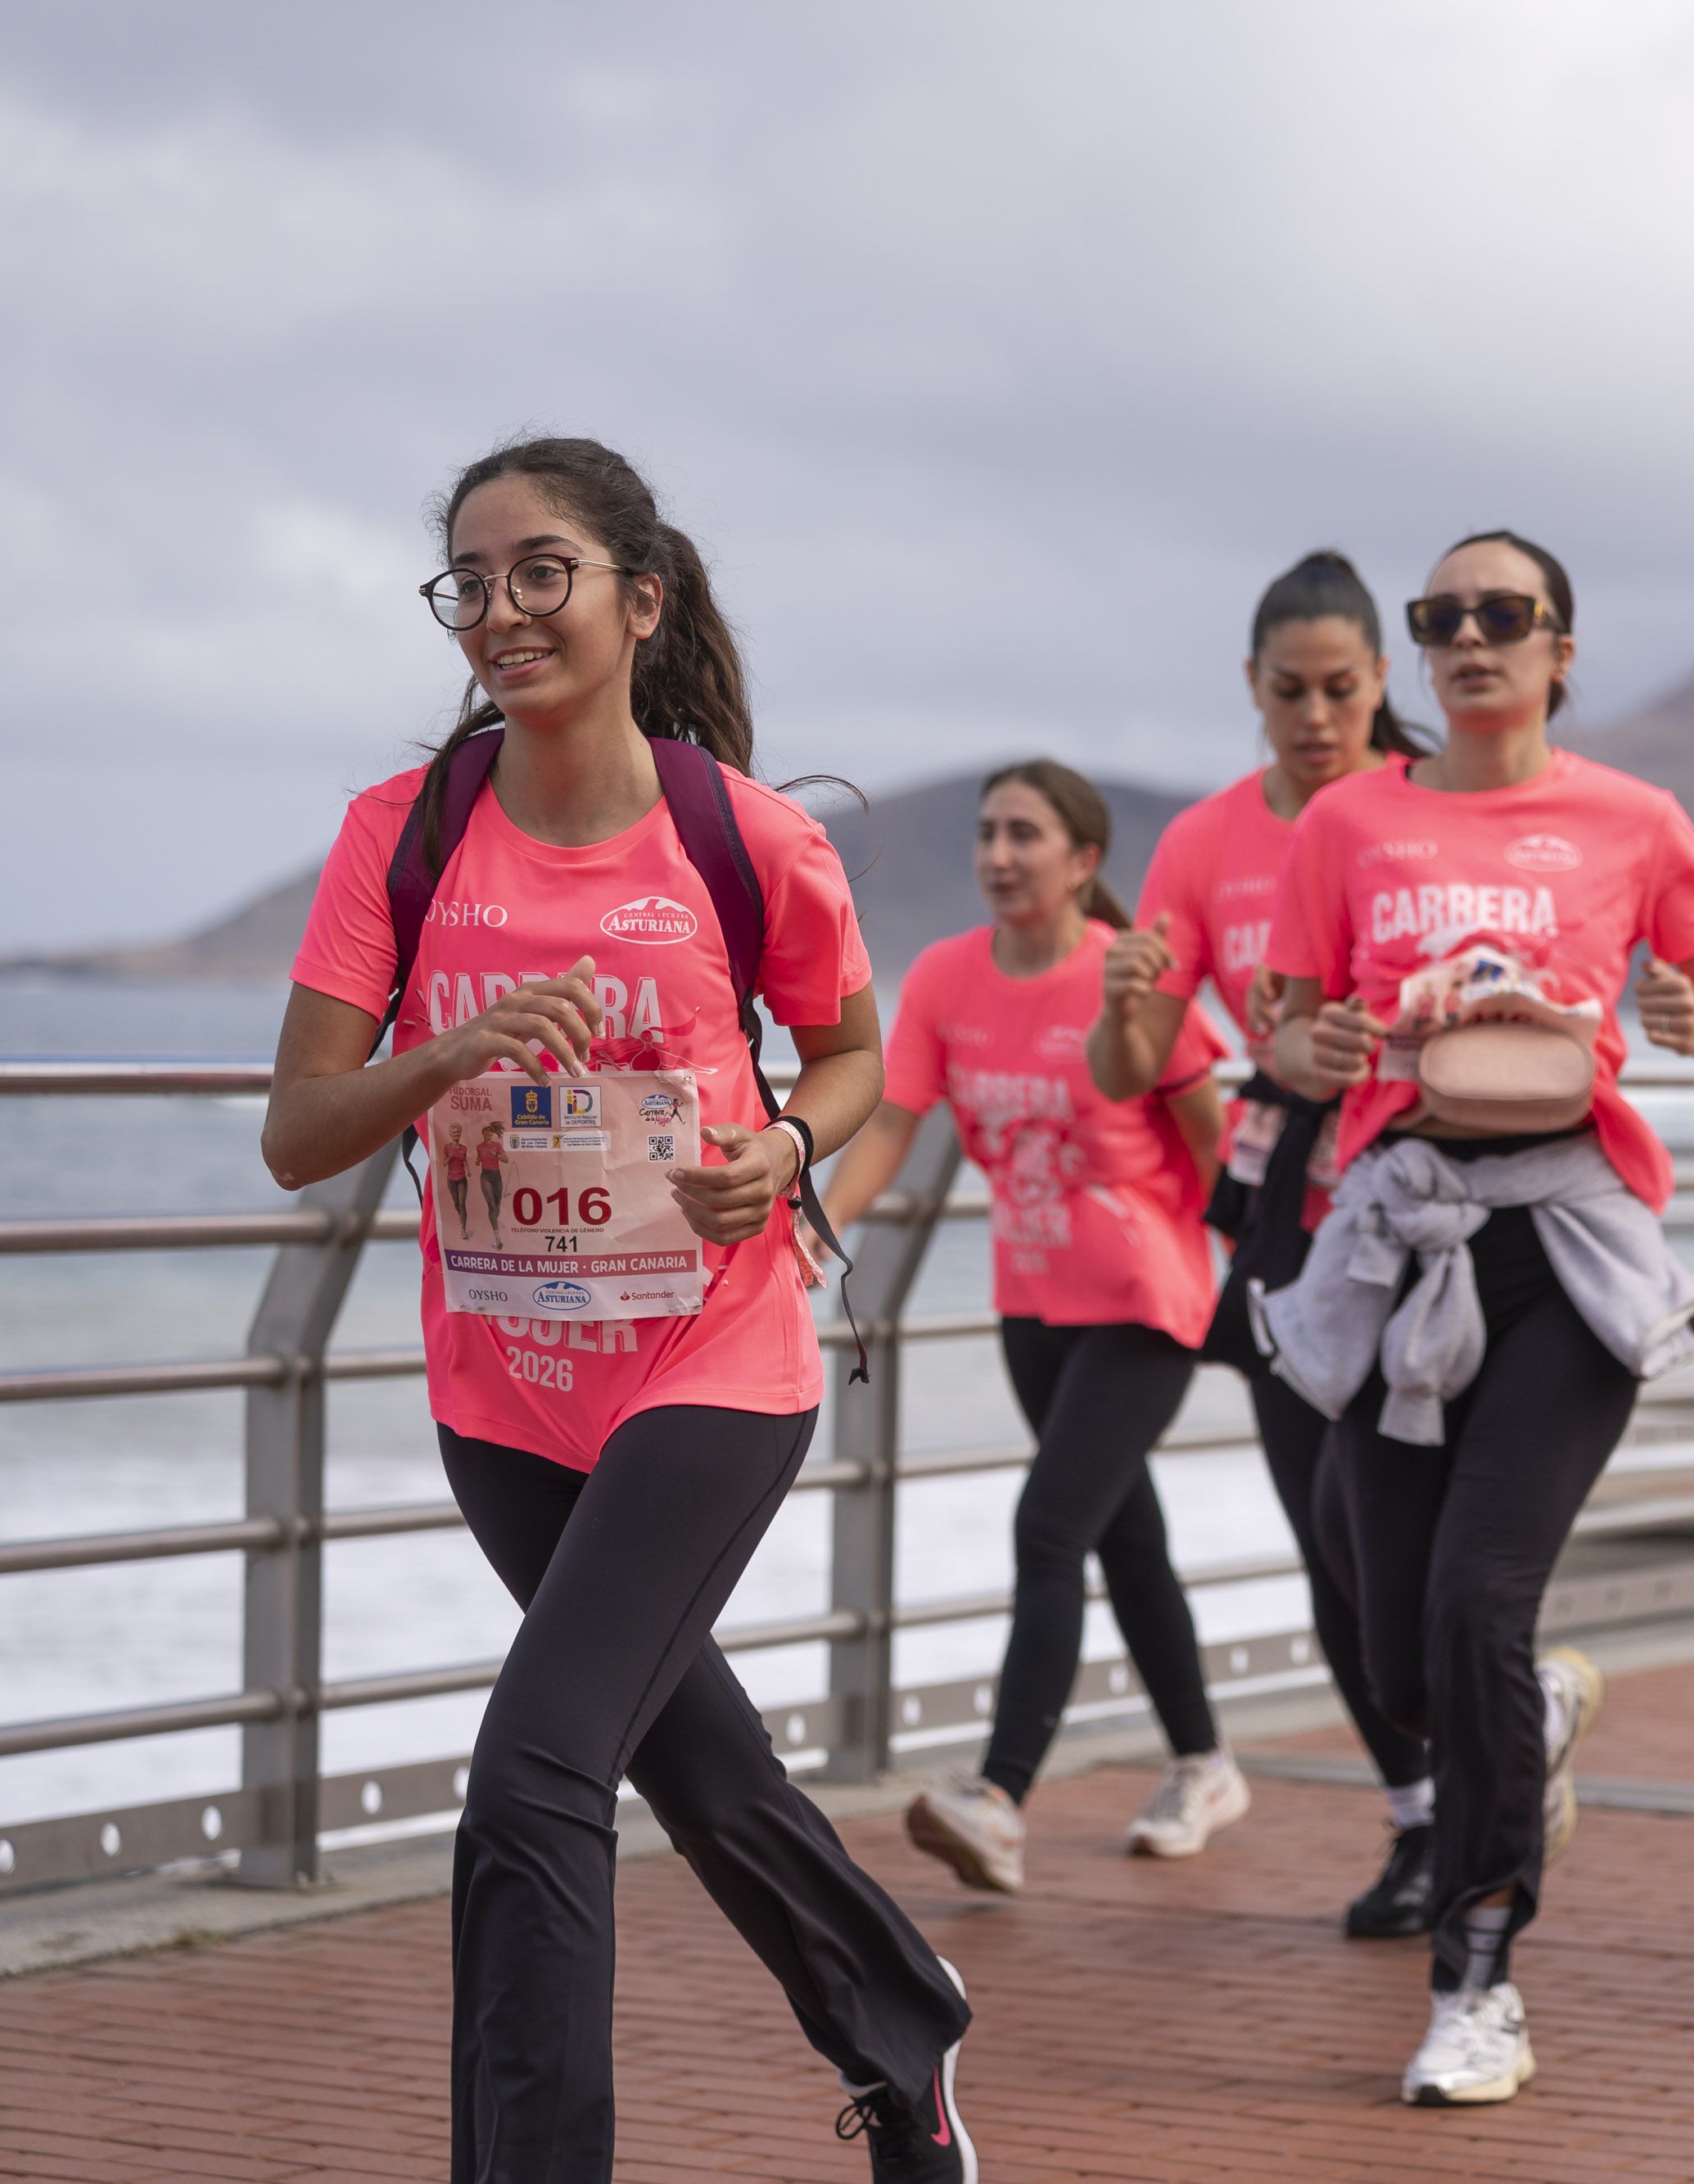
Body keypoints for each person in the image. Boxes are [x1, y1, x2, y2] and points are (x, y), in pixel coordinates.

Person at [264, 436, 973, 2184]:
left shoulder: (743, 834)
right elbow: (298, 1132)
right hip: (503, 1387)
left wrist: (783, 1147)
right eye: (471, 582)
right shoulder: (401, 836)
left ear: (639, 600)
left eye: (541, 572)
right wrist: (449, 1051)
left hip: (711, 1359)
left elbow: (856, 1057)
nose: (501, 611)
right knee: (700, 1769)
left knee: (534, 1771)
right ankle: (904, 2026)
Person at [1258, 528, 1694, 2105]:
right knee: (1405, 1664)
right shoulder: (1348, 820)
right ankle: (1531, 1712)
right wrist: (1314, 1051)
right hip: (1396, 1241)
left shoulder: (1635, 819)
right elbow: (1288, 1031)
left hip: (1566, 1242)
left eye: (1506, 615)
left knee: (1478, 1607)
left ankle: (1479, 1980)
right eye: (1445, 617)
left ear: (1561, 648)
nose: (1471, 638)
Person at [1087, 549, 1442, 1937]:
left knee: (1438, 1533)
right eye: (1288, 691)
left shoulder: (1433, 804)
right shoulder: (1203, 843)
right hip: (1291, 1203)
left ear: (1381, 681)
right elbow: (1130, 1069)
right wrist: (1127, 1001)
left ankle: (1502, 1732)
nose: (1315, 716)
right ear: (1251, 686)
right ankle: (1421, 1815)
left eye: (1342, 688)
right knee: (1330, 1536)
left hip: (1441, 1192)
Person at [824, 760, 1242, 1893]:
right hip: (1033, 1303)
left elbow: (1211, 1137)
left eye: (1026, 835)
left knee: (1049, 1527)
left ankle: (999, 1799)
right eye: (988, 833)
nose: (999, 856)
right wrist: (822, 1222)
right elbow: (893, 1123)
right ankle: (1205, 1763)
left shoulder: (1129, 976)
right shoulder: (948, 976)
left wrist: (1264, 1278)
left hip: (1148, 1302)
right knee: (1124, 1536)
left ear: (1083, 860)